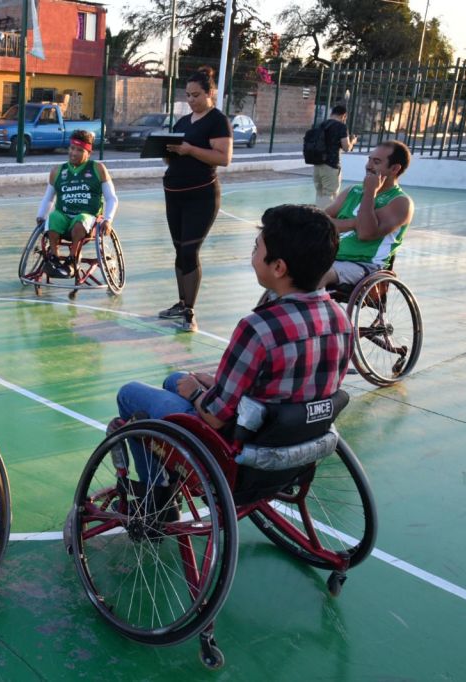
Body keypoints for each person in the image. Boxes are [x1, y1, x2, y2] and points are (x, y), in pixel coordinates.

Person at [114, 204, 351, 504]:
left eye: (256, 248)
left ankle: (156, 498)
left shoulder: (259, 327)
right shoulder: (340, 320)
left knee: (131, 395)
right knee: (175, 379)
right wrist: (213, 384)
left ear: (278, 267)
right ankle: (166, 473)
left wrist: (194, 394)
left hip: (239, 455)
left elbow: (213, 418)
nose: (252, 256)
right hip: (297, 443)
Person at [159, 66, 233, 333]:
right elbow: (175, 154)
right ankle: (181, 303)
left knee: (190, 251)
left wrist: (190, 149)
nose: (191, 100)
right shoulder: (182, 122)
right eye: (188, 95)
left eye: (196, 95)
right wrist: (167, 151)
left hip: (201, 196)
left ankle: (190, 311)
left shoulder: (217, 121)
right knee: (180, 251)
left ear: (210, 92)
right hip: (174, 194)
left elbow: (223, 158)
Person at [319, 140, 413, 289]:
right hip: (330, 258)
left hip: (364, 266)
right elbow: (319, 222)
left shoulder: (400, 202)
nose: (368, 166)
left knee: (314, 276)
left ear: (394, 168)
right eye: (369, 160)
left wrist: (370, 192)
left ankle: (312, 311)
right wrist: (353, 223)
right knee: (284, 267)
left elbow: (365, 233)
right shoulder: (352, 191)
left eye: (376, 162)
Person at [35, 130, 118, 278]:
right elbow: (48, 198)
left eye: (79, 150)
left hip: (88, 218)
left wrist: (108, 219)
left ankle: (72, 260)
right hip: (64, 216)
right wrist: (41, 216)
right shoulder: (58, 171)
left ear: (88, 153)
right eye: (72, 148)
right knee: (52, 217)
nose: (74, 153)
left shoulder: (98, 169)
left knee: (81, 220)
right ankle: (54, 258)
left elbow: (111, 198)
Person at [313, 104, 358, 208]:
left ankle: (316, 217)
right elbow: (346, 147)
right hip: (331, 165)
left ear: (332, 113)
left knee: (320, 194)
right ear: (344, 116)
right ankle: (325, 220)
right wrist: (353, 142)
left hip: (317, 164)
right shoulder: (341, 126)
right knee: (330, 195)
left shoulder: (321, 125)